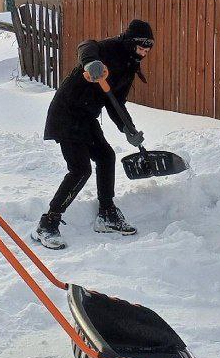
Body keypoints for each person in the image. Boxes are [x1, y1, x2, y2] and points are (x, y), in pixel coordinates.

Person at [33, 19, 154, 250]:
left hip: (87, 117)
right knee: (80, 169)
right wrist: (91, 62)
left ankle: (107, 213)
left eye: (148, 50)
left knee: (106, 156)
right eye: (141, 48)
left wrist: (128, 129)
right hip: (67, 113)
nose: (144, 53)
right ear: (130, 43)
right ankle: (47, 223)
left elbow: (115, 103)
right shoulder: (110, 48)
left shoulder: (129, 66)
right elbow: (86, 45)